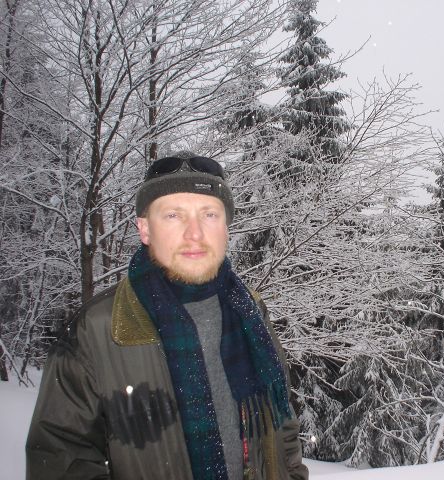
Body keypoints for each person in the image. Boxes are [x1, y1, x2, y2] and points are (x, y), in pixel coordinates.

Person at [26, 152, 309, 480]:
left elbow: (282, 425)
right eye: (173, 215)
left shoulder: (251, 313)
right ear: (145, 229)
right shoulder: (98, 329)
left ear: (226, 228)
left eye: (209, 215)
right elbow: (61, 459)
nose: (195, 233)